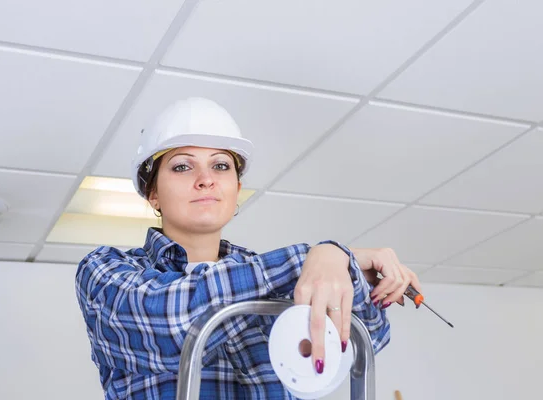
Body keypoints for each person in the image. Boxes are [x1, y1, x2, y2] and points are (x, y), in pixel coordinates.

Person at [75, 97, 422, 399]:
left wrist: (348, 272)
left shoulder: (277, 278)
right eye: (182, 166)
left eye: (221, 165)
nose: (206, 178)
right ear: (153, 193)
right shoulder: (107, 272)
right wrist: (319, 256)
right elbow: (173, 324)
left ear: (237, 186)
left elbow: (365, 343)